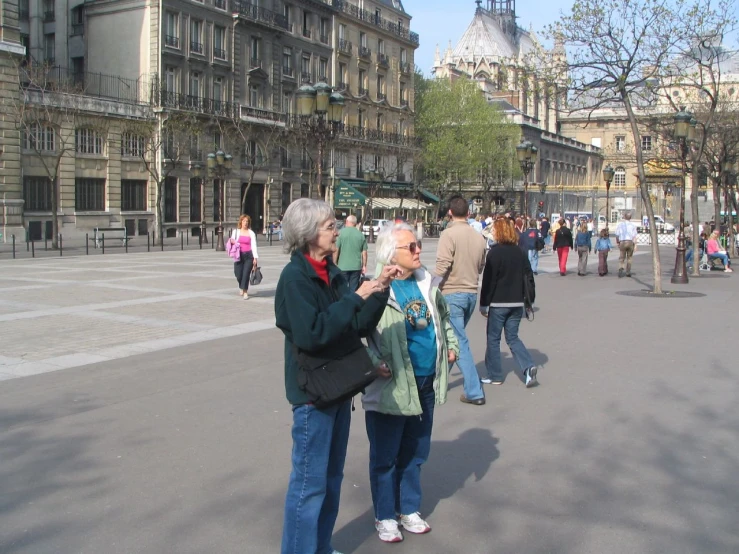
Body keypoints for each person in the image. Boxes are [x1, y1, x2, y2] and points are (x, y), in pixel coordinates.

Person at [275, 199, 401, 554]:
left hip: (339, 388)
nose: (339, 232)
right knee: (308, 485)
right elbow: (311, 333)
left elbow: (356, 324)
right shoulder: (295, 278)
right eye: (330, 226)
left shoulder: (329, 271)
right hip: (312, 394)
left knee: (331, 480)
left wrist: (379, 288)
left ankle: (320, 545)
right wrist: (355, 297)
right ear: (309, 233)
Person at [363, 223, 459, 543]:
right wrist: (373, 363)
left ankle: (409, 509)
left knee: (416, 450)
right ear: (391, 254)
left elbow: (441, 318)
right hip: (392, 384)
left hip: (424, 379)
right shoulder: (375, 287)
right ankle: (385, 515)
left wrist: (451, 346)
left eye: (418, 246)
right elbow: (356, 334)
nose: (419, 251)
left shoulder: (426, 282)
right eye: (412, 248)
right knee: (386, 454)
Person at [435, 195, 487, 406]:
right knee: (452, 340)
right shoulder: (478, 236)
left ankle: (474, 391)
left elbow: (442, 265)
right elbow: (481, 265)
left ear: (449, 212)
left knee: (458, 342)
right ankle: (439, 380)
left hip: (451, 292)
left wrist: (431, 286)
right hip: (471, 292)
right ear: (468, 213)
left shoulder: (448, 234)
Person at [479, 218, 538, 387]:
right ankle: (528, 367)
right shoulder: (519, 252)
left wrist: (484, 303)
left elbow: (489, 281)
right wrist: (528, 300)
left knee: (493, 338)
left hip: (498, 302)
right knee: (512, 337)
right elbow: (529, 276)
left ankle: (495, 375)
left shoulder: (495, 253)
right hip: (517, 302)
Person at [228, 215, 259, 299]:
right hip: (238, 255)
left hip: (249, 256)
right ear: (241, 222)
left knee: (246, 274)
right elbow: (232, 240)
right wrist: (232, 241)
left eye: (247, 221)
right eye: (244, 221)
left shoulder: (251, 233)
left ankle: (245, 291)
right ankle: (241, 286)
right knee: (238, 274)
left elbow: (254, 245)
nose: (245, 223)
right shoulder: (236, 231)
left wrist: (255, 258)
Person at [334, 215, 368, 291]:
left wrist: (335, 262)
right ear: (355, 224)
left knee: (342, 289)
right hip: (356, 267)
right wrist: (364, 266)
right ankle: (353, 301)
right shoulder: (361, 235)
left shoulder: (341, 234)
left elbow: (336, 249)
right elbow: (364, 253)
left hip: (342, 266)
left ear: (347, 222)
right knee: (354, 289)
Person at [615, 212, 638, 277]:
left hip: (622, 241)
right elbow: (634, 236)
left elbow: (617, 234)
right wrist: (635, 245)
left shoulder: (620, 225)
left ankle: (621, 267)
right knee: (629, 257)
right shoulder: (633, 225)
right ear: (630, 218)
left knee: (622, 256)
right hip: (630, 242)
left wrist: (618, 242)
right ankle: (628, 271)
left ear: (624, 217)